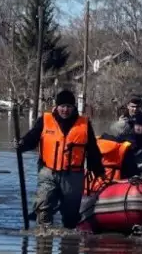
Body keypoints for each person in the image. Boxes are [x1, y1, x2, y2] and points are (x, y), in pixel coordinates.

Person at [16, 90, 105, 228]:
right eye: (62, 106)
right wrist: (21, 144)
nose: (65, 110)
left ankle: (68, 244)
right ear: (56, 106)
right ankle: (44, 240)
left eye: (69, 106)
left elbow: (92, 151)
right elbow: (32, 138)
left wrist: (99, 171)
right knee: (43, 205)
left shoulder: (84, 124)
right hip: (48, 171)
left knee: (70, 217)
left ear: (74, 107)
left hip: (73, 176)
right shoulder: (45, 120)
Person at [88, 112, 142, 194]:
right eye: (137, 124)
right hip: (124, 177)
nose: (138, 127)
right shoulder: (126, 139)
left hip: (123, 177)